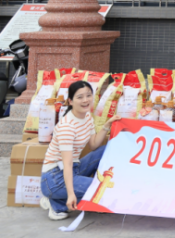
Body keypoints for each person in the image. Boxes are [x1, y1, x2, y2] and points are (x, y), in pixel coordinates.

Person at [39, 81, 120, 220]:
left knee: (107, 149)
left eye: (88, 95)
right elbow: (67, 164)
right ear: (70, 101)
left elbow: (93, 145)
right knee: (105, 188)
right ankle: (58, 204)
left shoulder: (87, 116)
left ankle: (60, 198)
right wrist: (71, 194)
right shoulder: (67, 127)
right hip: (55, 178)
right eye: (80, 97)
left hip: (74, 168)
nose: (85, 100)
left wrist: (107, 125)